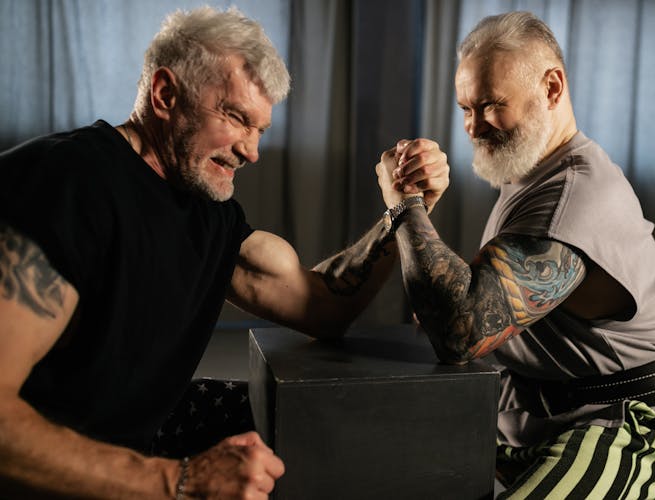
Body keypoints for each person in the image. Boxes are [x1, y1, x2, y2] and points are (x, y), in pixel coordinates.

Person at [0, 7, 449, 499]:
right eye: (236, 118)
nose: (251, 152)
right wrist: (180, 482)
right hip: (40, 470)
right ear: (166, 94)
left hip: (133, 434)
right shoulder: (61, 187)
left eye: (260, 129)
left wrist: (404, 209)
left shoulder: (209, 215)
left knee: (312, 423)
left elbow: (324, 305)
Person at [376, 11, 655, 500]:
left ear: (552, 87)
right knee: (364, 445)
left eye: (490, 105)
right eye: (465, 107)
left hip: (626, 427)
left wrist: (407, 206)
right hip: (530, 418)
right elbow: (470, 307)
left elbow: (460, 333)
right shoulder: (531, 171)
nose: (473, 126)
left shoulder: (573, 194)